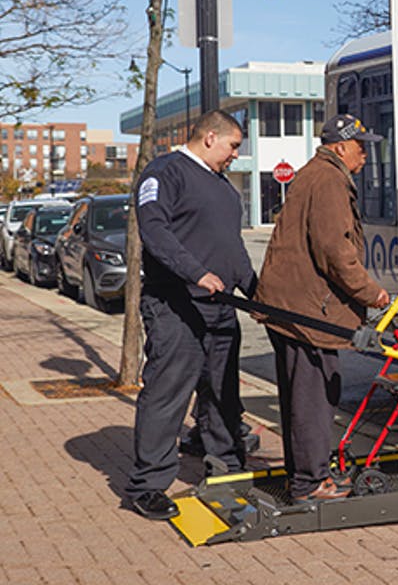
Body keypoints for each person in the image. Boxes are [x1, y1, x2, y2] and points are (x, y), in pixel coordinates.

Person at [125, 111, 257, 520]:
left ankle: (225, 468)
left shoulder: (223, 188)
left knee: (222, 394)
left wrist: (256, 291)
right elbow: (155, 231)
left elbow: (231, 247)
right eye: (233, 146)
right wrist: (196, 272)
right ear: (210, 137)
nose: (236, 155)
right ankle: (147, 485)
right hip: (175, 306)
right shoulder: (165, 173)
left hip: (220, 310)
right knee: (167, 395)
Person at [255, 113, 390, 502]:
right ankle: (309, 483)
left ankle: (307, 475)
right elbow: (335, 251)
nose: (365, 155)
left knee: (303, 395)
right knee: (313, 398)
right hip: (306, 311)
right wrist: (370, 293)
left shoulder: (316, 173)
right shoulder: (329, 179)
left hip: (293, 306)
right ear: (340, 146)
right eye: (361, 147)